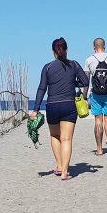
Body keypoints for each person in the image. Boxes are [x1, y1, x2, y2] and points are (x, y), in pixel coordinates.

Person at [31, 37, 88, 181]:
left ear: (53, 52)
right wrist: (73, 81)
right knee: (67, 139)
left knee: (55, 136)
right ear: (67, 50)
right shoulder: (74, 65)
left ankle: (59, 165)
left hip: (52, 106)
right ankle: (64, 173)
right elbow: (85, 81)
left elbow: (42, 88)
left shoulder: (48, 67)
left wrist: (35, 109)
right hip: (69, 105)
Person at [84, 37, 107, 156]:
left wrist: (84, 97)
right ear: (104, 46)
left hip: (96, 94)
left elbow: (86, 80)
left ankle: (99, 149)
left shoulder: (89, 60)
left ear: (94, 47)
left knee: (98, 121)